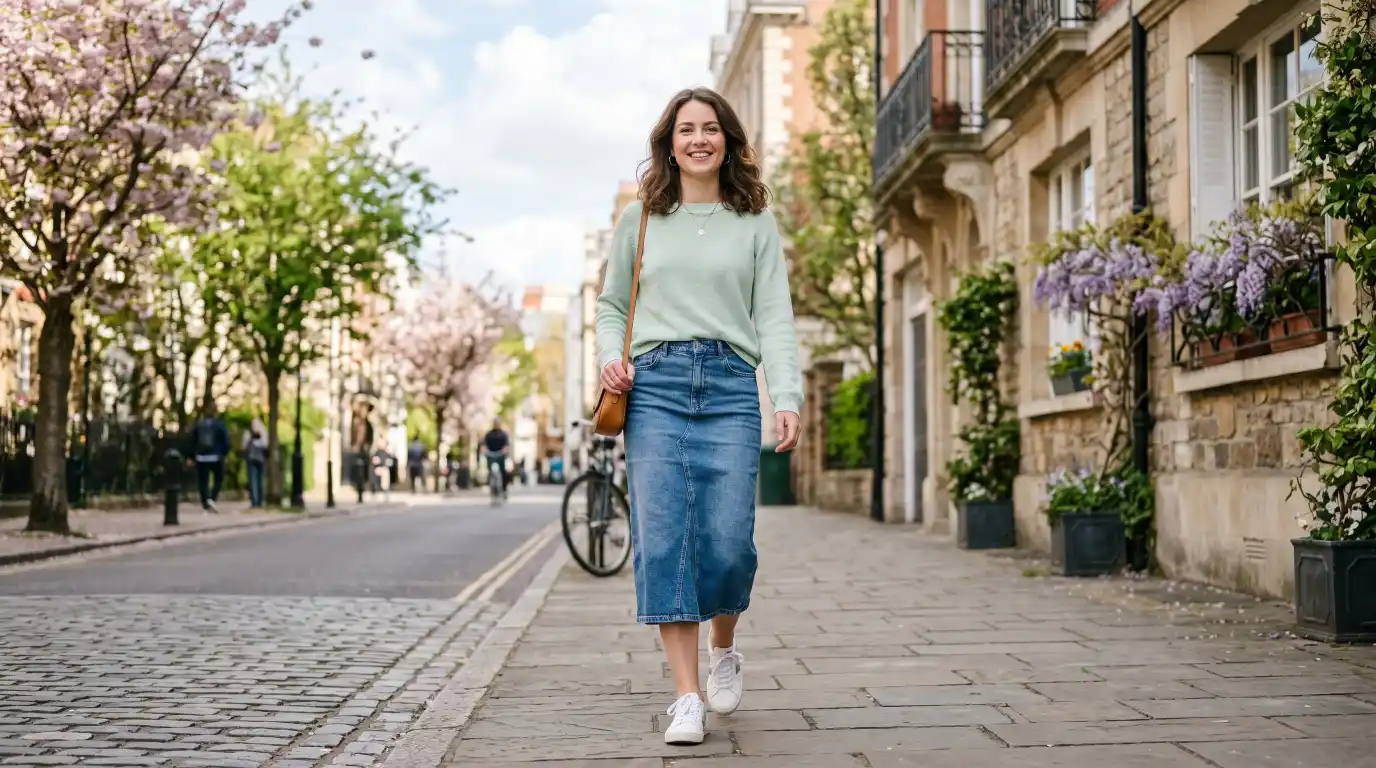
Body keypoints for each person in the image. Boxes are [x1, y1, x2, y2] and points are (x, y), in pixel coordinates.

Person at [596, 87, 802, 746]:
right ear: (669, 142)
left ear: (728, 139)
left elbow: (773, 312)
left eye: (710, 128)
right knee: (664, 541)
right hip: (654, 389)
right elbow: (609, 307)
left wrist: (787, 395)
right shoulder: (644, 217)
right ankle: (686, 696)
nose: (698, 139)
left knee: (728, 544)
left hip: (730, 387)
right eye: (686, 129)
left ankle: (724, 647)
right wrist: (610, 359)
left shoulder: (754, 222)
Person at [189, 405, 232, 512]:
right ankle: (212, 498)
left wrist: (191, 456)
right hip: (216, 457)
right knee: (219, 478)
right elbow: (226, 442)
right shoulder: (220, 426)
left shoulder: (199, 426)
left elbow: (192, 442)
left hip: (201, 457)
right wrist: (224, 454)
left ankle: (205, 502)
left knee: (202, 481)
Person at [242, 418, 269, 508]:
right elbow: (244, 446)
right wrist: (251, 438)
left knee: (260, 480)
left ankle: (260, 501)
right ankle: (254, 501)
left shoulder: (264, 433)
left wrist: (260, 436)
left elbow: (266, 445)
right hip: (251, 459)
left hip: (261, 460)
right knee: (253, 480)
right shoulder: (248, 434)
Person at [482, 417, 510, 497]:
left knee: (503, 471)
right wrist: (485, 450)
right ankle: (491, 486)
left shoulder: (503, 434)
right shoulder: (489, 434)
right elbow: (484, 444)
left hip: (500, 456)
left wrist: (504, 450)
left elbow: (506, 445)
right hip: (491, 455)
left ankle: (504, 489)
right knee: (490, 471)